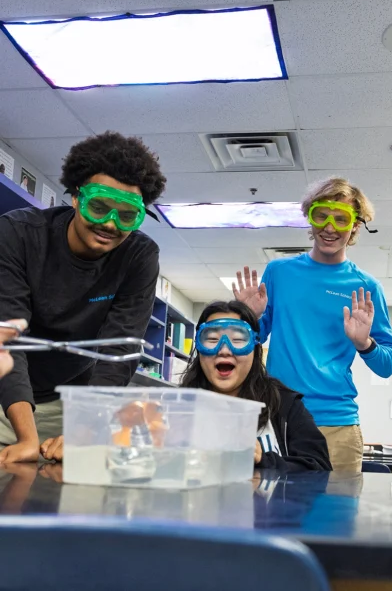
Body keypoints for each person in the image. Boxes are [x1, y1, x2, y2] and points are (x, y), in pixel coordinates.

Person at [0, 131, 166, 464]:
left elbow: (119, 349)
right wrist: (28, 438)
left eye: (127, 215)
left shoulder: (140, 256)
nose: (110, 224)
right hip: (5, 390)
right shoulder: (18, 233)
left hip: (68, 400)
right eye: (99, 207)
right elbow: (7, 340)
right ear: (76, 198)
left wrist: (84, 431)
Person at [233, 178, 392, 473]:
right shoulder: (279, 272)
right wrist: (248, 317)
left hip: (336, 423)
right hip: (278, 417)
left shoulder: (366, 287)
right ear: (309, 218)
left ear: (355, 226)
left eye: (341, 218)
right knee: (274, 515)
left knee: (333, 519)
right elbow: (249, 344)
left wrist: (365, 344)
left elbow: (388, 364)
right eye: (321, 215)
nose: (330, 227)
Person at [181, 300, 331, 473]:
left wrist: (263, 459)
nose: (224, 350)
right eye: (212, 339)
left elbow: (320, 468)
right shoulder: (180, 408)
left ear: (255, 349)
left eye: (237, 340)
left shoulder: (284, 403)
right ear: (199, 349)